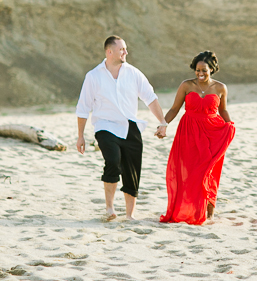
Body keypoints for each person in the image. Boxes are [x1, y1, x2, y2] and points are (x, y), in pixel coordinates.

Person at [75, 36, 168, 221]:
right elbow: (83, 107)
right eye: (122, 49)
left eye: (125, 49)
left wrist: (163, 122)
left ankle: (129, 214)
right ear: (109, 52)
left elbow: (150, 98)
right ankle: (109, 208)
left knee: (132, 170)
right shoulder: (93, 76)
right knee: (113, 161)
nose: (126, 52)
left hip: (130, 126)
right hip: (105, 126)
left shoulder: (133, 73)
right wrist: (80, 136)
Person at [160, 50, 236, 225]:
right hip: (188, 133)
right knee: (190, 172)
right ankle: (190, 209)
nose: (200, 74)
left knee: (208, 171)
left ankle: (209, 213)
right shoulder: (186, 86)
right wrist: (163, 124)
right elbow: (174, 108)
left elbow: (222, 110)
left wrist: (230, 125)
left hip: (212, 133)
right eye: (197, 70)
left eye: (204, 70)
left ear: (212, 70)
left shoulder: (220, 88)